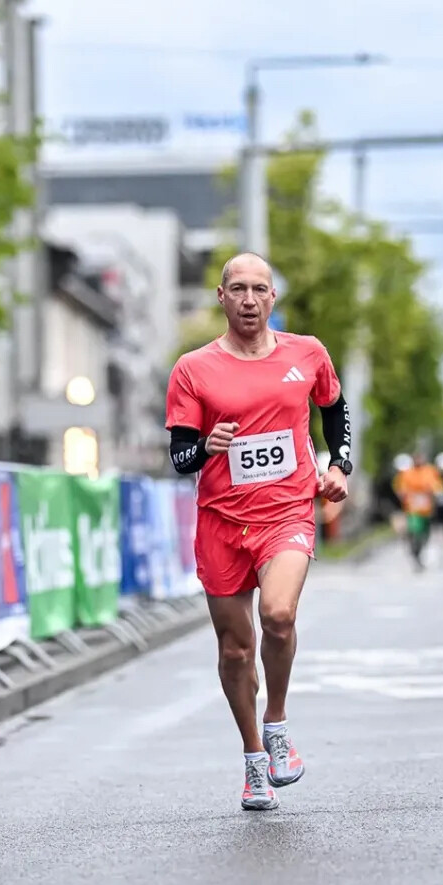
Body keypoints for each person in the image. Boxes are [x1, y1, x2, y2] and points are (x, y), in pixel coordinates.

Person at [165, 253, 351, 812]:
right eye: (239, 289)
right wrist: (207, 447)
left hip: (287, 511)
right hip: (221, 522)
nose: (249, 300)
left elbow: (335, 410)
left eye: (260, 289)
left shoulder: (307, 353)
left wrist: (339, 465)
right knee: (235, 648)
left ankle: (277, 722)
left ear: (273, 297)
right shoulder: (193, 368)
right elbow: (179, 455)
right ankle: (252, 758)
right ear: (221, 297)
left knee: (278, 614)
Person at [392, 450, 443, 571]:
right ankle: (415, 551)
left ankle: (418, 551)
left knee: (425, 534)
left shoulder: (430, 471)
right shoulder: (407, 473)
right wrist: (404, 495)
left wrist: (436, 493)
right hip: (413, 509)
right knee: (415, 530)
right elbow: (400, 488)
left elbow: (438, 486)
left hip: (427, 509)